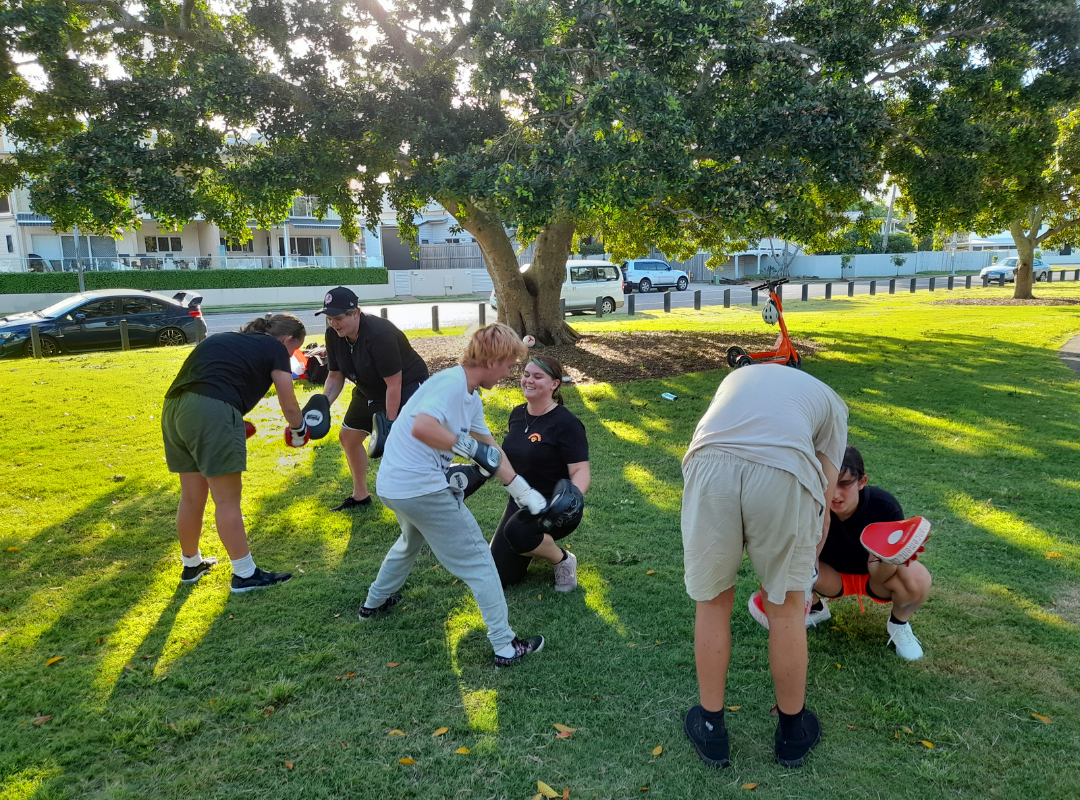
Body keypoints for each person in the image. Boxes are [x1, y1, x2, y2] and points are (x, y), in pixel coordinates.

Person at [680, 364, 847, 769]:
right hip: (783, 471)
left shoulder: (735, 379)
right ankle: (792, 732)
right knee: (788, 606)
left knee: (713, 601)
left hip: (707, 464)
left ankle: (710, 727)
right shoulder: (833, 403)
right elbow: (824, 496)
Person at [360, 323, 548, 667]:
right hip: (419, 487)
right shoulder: (450, 384)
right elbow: (422, 427)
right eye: (508, 364)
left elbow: (491, 449)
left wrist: (522, 490)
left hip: (394, 487)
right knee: (480, 562)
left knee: (409, 541)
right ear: (493, 360)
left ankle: (373, 602)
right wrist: (466, 447)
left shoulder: (469, 394)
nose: (509, 373)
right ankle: (506, 647)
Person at [162, 313, 310, 593]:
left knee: (192, 497)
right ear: (287, 339)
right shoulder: (275, 347)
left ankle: (191, 563)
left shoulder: (224, 338)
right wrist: (299, 428)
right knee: (227, 499)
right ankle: (244, 573)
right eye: (294, 349)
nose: (290, 355)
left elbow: (211, 379)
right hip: (211, 409)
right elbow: (288, 402)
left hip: (174, 409)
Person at [808, 446, 932, 660]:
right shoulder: (811, 504)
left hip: (874, 578)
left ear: (862, 482)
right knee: (781, 560)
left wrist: (888, 554)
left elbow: (881, 575)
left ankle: (898, 624)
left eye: (844, 484)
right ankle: (816, 609)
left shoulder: (884, 506)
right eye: (827, 484)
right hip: (828, 576)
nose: (835, 494)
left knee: (917, 576)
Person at [318, 286, 429, 511]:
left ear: (356, 312)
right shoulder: (333, 335)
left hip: (404, 386)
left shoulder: (380, 335)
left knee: (402, 446)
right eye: (330, 318)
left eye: (338, 318)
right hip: (367, 388)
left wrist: (389, 425)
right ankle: (360, 496)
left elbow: (394, 384)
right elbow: (335, 375)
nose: (334, 324)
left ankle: (420, 495)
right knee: (348, 438)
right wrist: (322, 407)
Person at [488, 355, 590, 590]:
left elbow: (581, 470)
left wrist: (571, 501)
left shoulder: (567, 424)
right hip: (521, 500)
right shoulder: (517, 414)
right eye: (525, 375)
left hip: (553, 507)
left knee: (516, 532)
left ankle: (562, 559)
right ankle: (532, 543)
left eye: (537, 376)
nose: (528, 381)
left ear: (554, 384)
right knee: (501, 576)